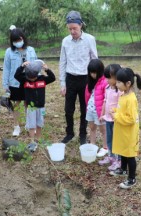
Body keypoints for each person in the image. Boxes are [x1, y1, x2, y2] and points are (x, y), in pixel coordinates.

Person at [59, 11, 98, 145]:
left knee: (85, 108)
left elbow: (94, 60)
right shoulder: (65, 41)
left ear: (81, 25)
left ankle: (83, 134)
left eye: (75, 28)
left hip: (85, 79)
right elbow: (62, 62)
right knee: (68, 109)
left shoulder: (89, 39)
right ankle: (69, 133)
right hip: (70, 78)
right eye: (70, 29)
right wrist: (62, 83)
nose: (72, 31)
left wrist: (95, 82)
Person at [109, 68, 141, 189]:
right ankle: (123, 169)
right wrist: (115, 111)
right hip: (123, 131)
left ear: (128, 83)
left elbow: (131, 119)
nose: (116, 84)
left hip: (129, 133)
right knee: (123, 150)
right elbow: (123, 111)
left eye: (119, 82)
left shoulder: (131, 99)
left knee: (129, 155)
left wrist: (116, 115)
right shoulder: (124, 95)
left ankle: (132, 178)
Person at [14, 60, 56, 151]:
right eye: (30, 78)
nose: (32, 79)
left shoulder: (42, 79)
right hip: (31, 107)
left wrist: (47, 69)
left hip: (41, 106)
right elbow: (16, 75)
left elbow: (53, 78)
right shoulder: (24, 79)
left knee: (39, 123)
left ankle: (38, 139)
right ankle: (32, 141)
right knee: (31, 125)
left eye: (33, 77)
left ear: (37, 74)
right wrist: (22, 67)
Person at [2, 27, 37, 136]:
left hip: (28, 81)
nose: (18, 43)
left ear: (23, 38)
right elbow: (6, 68)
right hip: (15, 82)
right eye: (15, 41)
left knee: (28, 103)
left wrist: (37, 79)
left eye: (19, 40)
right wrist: (5, 84)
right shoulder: (9, 52)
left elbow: (36, 65)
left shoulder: (31, 50)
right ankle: (16, 126)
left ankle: (29, 124)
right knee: (16, 104)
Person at [98, 64, 123, 170]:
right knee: (109, 139)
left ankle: (119, 160)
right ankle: (111, 156)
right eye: (106, 77)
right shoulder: (107, 88)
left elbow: (121, 105)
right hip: (108, 119)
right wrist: (102, 114)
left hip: (116, 120)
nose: (106, 80)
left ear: (116, 77)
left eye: (109, 77)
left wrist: (116, 115)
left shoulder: (120, 91)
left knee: (117, 140)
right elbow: (105, 101)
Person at [84, 59, 108, 157]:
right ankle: (92, 144)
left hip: (100, 111)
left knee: (103, 130)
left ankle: (105, 147)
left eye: (94, 73)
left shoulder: (104, 82)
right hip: (90, 109)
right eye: (91, 73)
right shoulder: (90, 81)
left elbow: (106, 99)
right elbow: (87, 96)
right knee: (92, 127)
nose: (92, 75)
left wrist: (103, 113)